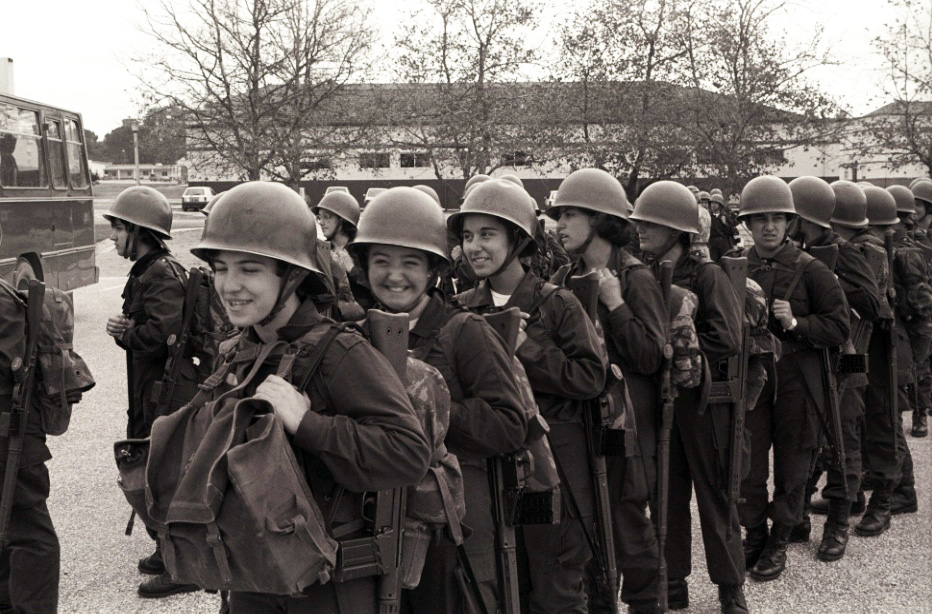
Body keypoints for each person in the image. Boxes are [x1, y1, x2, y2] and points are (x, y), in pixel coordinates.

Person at [190, 181, 430, 613]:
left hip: (326, 583)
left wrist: (308, 424)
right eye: (221, 269)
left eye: (249, 269)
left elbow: (408, 453)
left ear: (293, 276)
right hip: (255, 572)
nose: (229, 285)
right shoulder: (240, 350)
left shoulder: (340, 352)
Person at [347, 186, 527, 614]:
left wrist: (428, 409)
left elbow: (508, 424)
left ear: (433, 271)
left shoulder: (465, 331)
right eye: (381, 261)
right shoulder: (353, 337)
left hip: (452, 526)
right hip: (373, 520)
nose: (395, 275)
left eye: (410, 262)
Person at [452, 178, 607, 614]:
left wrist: (527, 348)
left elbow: (590, 378)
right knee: (506, 588)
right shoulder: (461, 307)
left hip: (553, 469)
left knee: (556, 588)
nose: (474, 247)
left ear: (518, 240)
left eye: (487, 234)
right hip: (490, 469)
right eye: (468, 236)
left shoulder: (557, 304)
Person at [547, 169, 665, 614]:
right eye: (559, 216)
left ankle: (646, 604)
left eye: (570, 215)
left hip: (628, 425)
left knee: (627, 522)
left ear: (598, 219)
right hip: (581, 421)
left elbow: (651, 357)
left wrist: (615, 304)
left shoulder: (634, 278)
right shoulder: (563, 277)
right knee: (587, 523)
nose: (560, 225)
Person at [630, 181, 747, 613]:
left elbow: (728, 337)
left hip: (701, 403)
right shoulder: (644, 274)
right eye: (640, 221)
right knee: (665, 496)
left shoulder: (706, 274)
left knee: (715, 496)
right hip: (662, 402)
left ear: (677, 230)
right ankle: (673, 581)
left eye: (651, 223)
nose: (641, 229)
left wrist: (682, 350)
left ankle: (730, 587)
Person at [735, 176, 849, 582]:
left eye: (777, 219)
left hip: (797, 378)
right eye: (760, 219)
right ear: (748, 224)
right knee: (747, 463)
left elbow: (839, 327)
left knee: (794, 462)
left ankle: (780, 538)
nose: (769, 226)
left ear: (789, 223)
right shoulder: (735, 267)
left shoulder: (812, 270)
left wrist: (797, 323)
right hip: (753, 378)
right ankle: (754, 533)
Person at [103, 185, 203, 598]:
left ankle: (186, 566)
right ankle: (168, 550)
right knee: (154, 466)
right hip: (154, 385)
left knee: (166, 473)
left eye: (117, 228)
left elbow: (162, 335)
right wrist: (128, 331)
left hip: (167, 387)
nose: (111, 237)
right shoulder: (149, 269)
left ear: (137, 230)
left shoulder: (159, 272)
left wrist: (125, 333)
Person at [786, 177, 885, 562]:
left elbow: (873, 305)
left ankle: (838, 523)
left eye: (791, 216)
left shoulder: (843, 253)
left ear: (804, 218)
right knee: (805, 439)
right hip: (812, 359)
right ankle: (797, 517)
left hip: (848, 360)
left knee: (844, 443)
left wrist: (831, 282)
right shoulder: (798, 251)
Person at [311, 191, 371, 316]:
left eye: (326, 217)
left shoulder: (362, 252)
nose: (321, 222)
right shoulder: (319, 251)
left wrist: (353, 270)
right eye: (319, 217)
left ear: (342, 220)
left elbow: (378, 292)